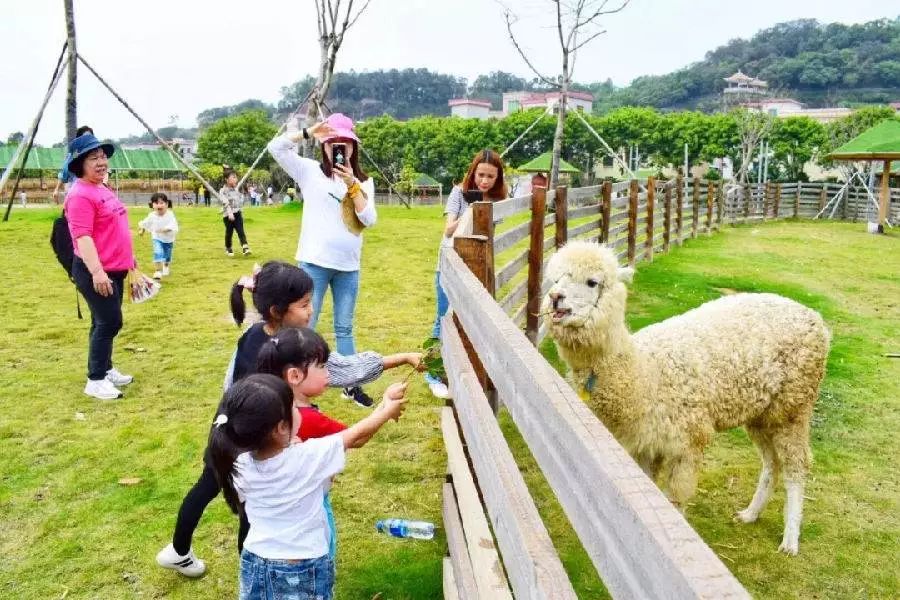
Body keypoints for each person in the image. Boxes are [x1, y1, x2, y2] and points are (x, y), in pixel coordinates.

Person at [156, 261, 422, 577]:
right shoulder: (292, 350)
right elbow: (341, 370)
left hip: (229, 427)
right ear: (277, 310)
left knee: (210, 486)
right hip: (255, 441)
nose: (311, 310)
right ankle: (251, 570)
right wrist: (400, 361)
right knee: (251, 515)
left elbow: (229, 384)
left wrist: (224, 421)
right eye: (304, 304)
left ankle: (179, 550)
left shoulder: (255, 334)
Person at [209, 372, 406, 600]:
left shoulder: (238, 464)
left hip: (255, 559)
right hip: (301, 566)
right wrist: (386, 408)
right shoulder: (307, 457)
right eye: (294, 406)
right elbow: (355, 435)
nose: (300, 409)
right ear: (280, 428)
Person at [268, 113, 378, 408]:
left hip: (348, 266)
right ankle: (295, 390)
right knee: (305, 327)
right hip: (314, 262)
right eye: (333, 143)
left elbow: (369, 219)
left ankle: (351, 385)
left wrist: (353, 185)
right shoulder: (309, 171)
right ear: (324, 146)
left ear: (354, 147)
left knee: (344, 327)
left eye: (345, 143)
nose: (339, 148)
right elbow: (275, 148)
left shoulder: (364, 183)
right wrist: (306, 132)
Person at [426, 149, 508, 399]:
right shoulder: (457, 194)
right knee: (443, 318)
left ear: (498, 178)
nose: (484, 181)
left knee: (470, 319)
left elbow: (490, 237)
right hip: (449, 265)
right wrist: (471, 210)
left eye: (490, 177)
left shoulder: (497, 201)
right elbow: (449, 230)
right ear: (473, 173)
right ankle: (433, 373)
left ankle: (461, 369)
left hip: (475, 267)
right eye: (481, 175)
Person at [64, 132, 137, 400]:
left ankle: (105, 369)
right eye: (93, 157)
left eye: (103, 156)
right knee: (110, 321)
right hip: (95, 270)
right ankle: (95, 380)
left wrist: (131, 260)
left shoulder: (101, 188)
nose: (101, 161)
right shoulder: (80, 195)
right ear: (80, 164)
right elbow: (83, 237)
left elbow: (115, 226)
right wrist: (97, 272)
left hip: (115, 268)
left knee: (102, 320)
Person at [138, 192, 179, 279]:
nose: (159, 205)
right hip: (157, 237)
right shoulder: (152, 215)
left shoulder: (170, 214)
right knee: (158, 252)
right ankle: (158, 271)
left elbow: (173, 225)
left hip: (168, 239)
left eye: (161, 203)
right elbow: (145, 223)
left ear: (167, 204)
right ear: (152, 205)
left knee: (167, 256)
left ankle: (166, 265)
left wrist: (165, 229)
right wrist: (142, 230)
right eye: (156, 203)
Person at [52, 125, 94, 204]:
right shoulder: (73, 156)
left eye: (90, 137)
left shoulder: (97, 154)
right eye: (85, 137)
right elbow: (63, 174)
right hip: (75, 194)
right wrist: (56, 189)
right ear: (79, 140)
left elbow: (104, 171)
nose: (88, 140)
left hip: (93, 194)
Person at [219, 167, 251, 257]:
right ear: (226, 179)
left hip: (237, 213)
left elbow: (239, 201)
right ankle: (228, 247)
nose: (235, 179)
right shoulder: (223, 191)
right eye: (233, 177)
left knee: (240, 230)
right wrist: (229, 212)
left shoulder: (236, 189)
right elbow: (225, 202)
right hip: (227, 216)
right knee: (229, 233)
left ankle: (245, 247)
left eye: (236, 177)